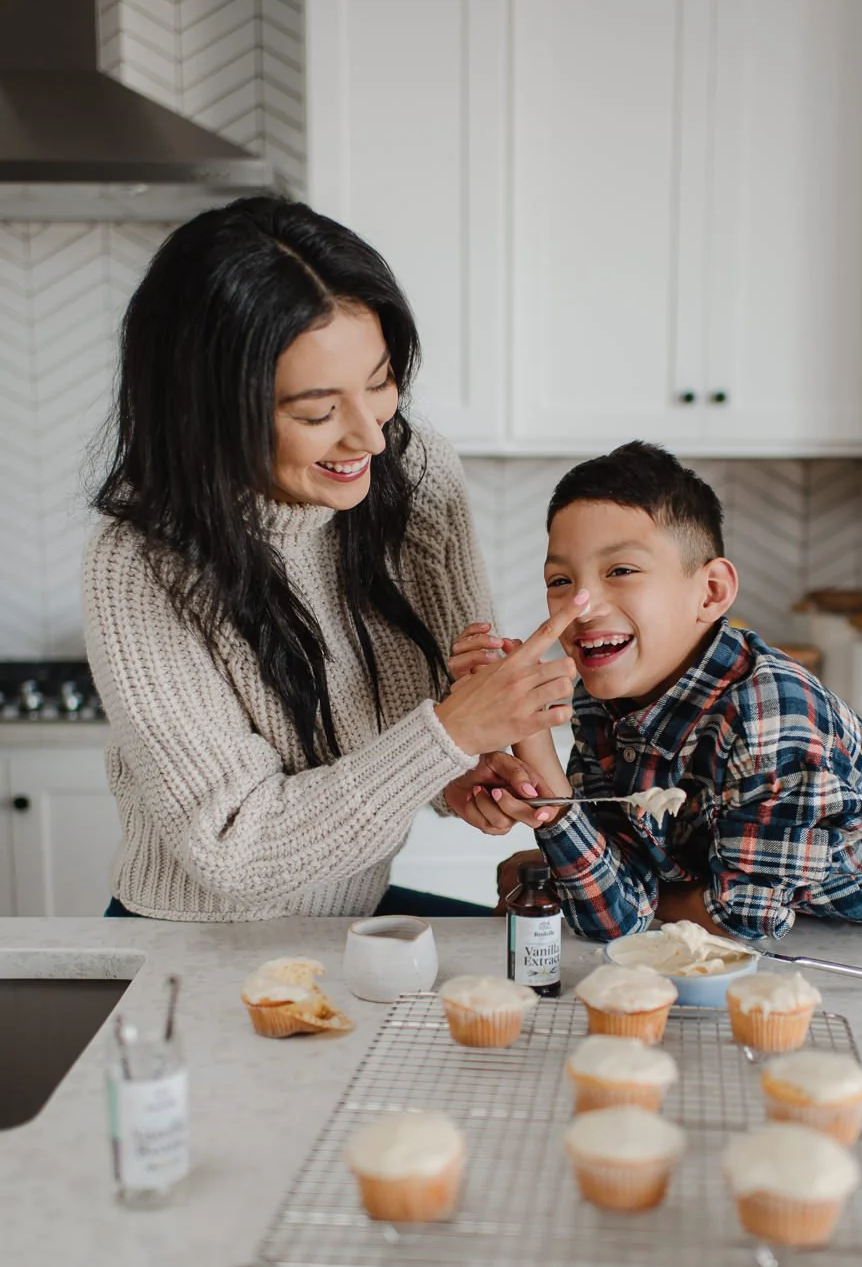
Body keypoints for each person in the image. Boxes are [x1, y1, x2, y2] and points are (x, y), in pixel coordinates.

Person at [85, 195, 581, 922]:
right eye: (318, 413)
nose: (370, 440)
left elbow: (431, 718)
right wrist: (446, 736)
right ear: (210, 411)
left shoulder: (415, 476)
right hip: (194, 940)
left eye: (380, 384)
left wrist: (456, 770)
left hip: (347, 919)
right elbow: (237, 850)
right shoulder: (139, 566)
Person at [451, 441, 862, 1000]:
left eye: (621, 570)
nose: (582, 606)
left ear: (711, 591)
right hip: (826, 944)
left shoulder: (773, 716)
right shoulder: (603, 697)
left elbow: (739, 925)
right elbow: (613, 922)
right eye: (560, 581)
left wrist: (621, 885)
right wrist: (532, 743)